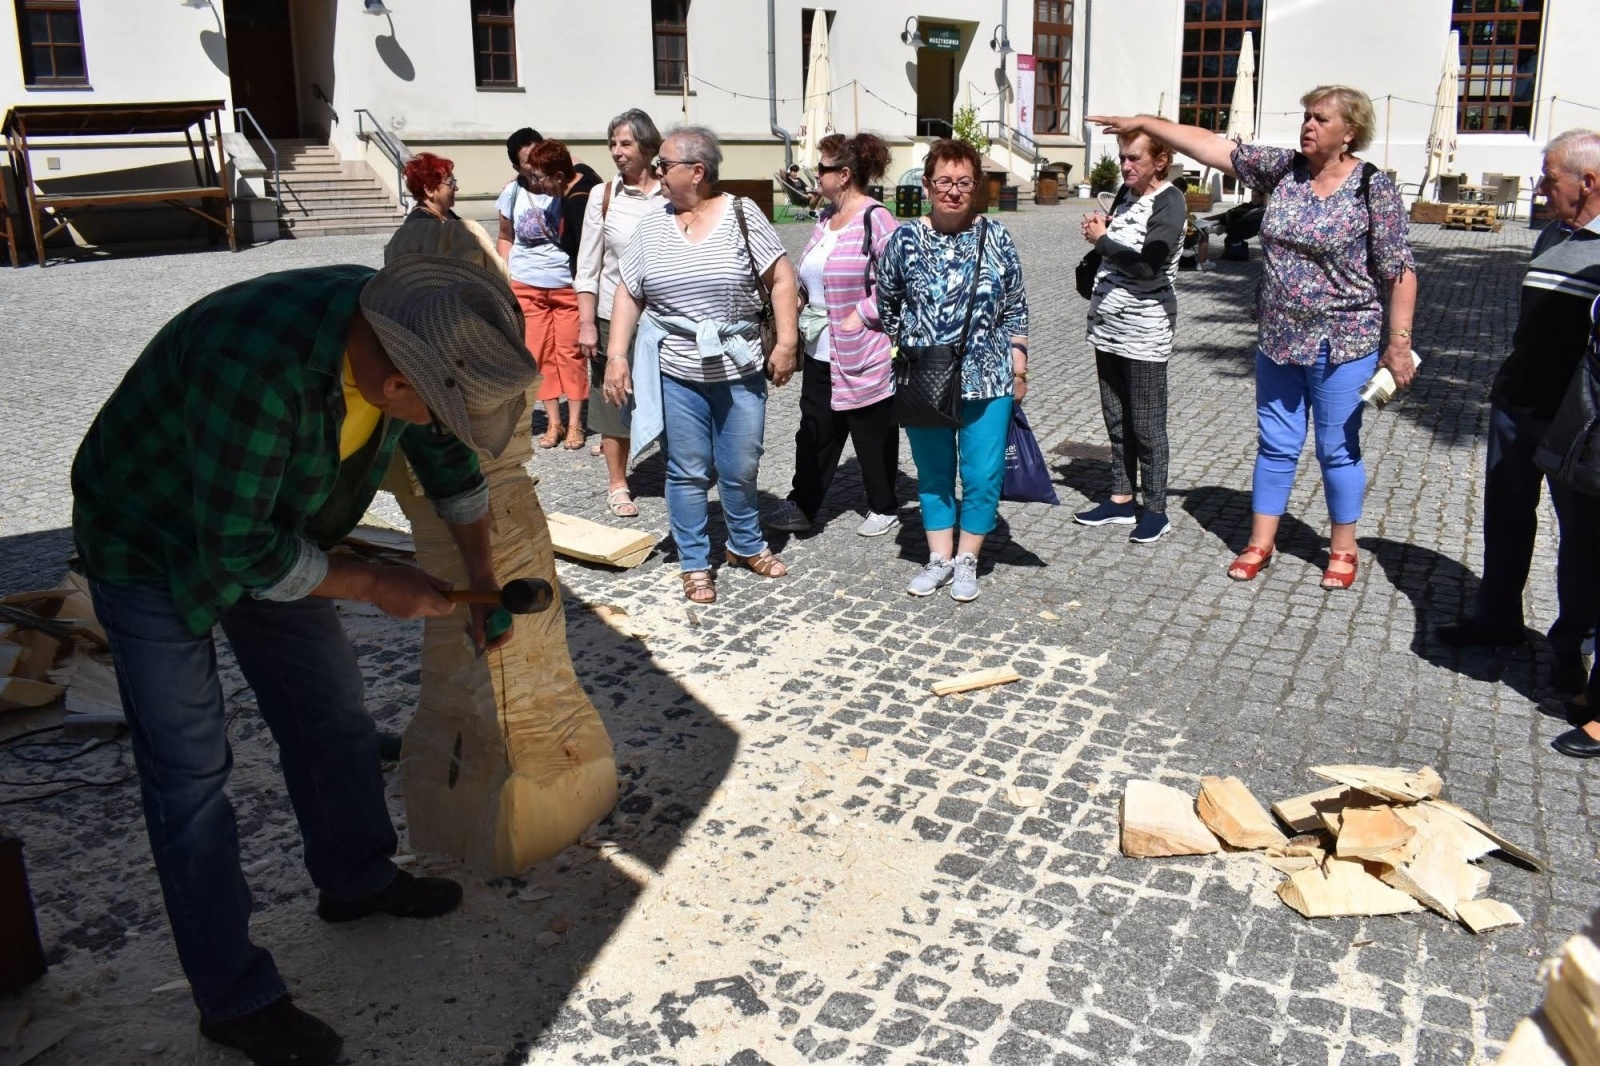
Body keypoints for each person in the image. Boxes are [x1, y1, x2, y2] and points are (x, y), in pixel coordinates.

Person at [69, 256, 539, 1066]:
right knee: (190, 777)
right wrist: (377, 584)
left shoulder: (406, 329)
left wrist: (483, 580)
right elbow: (239, 548)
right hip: (152, 537)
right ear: (394, 386)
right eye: (430, 410)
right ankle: (234, 996)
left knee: (332, 715)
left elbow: (450, 462)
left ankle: (355, 877)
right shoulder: (257, 366)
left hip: (270, 524)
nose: (434, 425)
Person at [1092, 86, 1418, 590]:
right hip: (1279, 337)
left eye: (1320, 119)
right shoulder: (1284, 170)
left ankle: (1343, 548)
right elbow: (1208, 145)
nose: (1307, 126)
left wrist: (1398, 344)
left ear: (1349, 131)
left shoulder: (1373, 188)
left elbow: (1399, 270)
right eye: (1305, 116)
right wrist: (1146, 122)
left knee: (1336, 447)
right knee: (1276, 444)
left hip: (1344, 340)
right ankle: (1260, 542)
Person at [602, 126, 800, 604]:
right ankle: (694, 561)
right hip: (678, 371)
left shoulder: (741, 213)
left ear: (697, 171)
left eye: (663, 165)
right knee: (687, 470)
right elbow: (630, 292)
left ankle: (744, 545)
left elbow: (781, 277)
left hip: (740, 365)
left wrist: (787, 341)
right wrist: (615, 356)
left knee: (740, 465)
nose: (655, 172)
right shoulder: (652, 224)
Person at [1438, 129, 1600, 701]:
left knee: (1580, 539)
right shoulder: (1551, 235)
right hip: (1519, 405)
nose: (1539, 187)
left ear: (1588, 182)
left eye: (1549, 177)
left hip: (1576, 421)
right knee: (1507, 516)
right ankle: (1497, 617)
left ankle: (1569, 648)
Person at [876, 138, 1031, 603]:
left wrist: (1018, 362)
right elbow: (887, 301)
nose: (954, 191)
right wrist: (910, 345)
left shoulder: (996, 236)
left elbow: (1016, 305)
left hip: (988, 377)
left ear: (976, 186)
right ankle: (938, 558)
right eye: (944, 181)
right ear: (927, 185)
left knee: (983, 474)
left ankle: (968, 559)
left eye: (964, 182)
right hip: (926, 378)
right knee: (934, 472)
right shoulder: (905, 239)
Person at [765, 132, 902, 538]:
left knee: (870, 431)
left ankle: (883, 504)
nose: (815, 177)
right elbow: (813, 275)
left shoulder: (876, 218)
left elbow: (900, 283)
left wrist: (862, 313)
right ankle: (803, 503)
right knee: (814, 430)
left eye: (821, 170)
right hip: (820, 346)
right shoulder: (825, 220)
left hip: (865, 349)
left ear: (843, 175)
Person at [1074, 124, 1186, 544]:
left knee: (1147, 424)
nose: (1125, 165)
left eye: (1134, 158)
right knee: (1116, 417)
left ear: (1160, 161)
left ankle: (1155, 509)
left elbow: (1147, 266)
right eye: (1122, 157)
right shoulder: (1126, 195)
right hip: (1109, 327)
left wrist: (1102, 241)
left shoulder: (1170, 203)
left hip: (1145, 331)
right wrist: (1105, 228)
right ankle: (1121, 499)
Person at [574, 109, 665, 518]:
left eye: (625, 144)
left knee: (673, 397)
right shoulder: (603, 196)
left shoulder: (672, 191)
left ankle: (680, 470)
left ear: (648, 147)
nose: (616, 152)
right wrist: (587, 323)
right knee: (614, 401)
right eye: (612, 144)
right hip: (615, 317)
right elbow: (587, 267)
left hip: (667, 317)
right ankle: (618, 483)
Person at [496, 134, 602, 450]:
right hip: (527, 284)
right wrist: (506, 272)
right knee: (538, 354)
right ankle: (553, 422)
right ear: (516, 165)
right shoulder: (511, 192)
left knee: (570, 352)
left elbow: (582, 170)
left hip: (565, 284)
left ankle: (575, 423)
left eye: (537, 158)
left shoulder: (561, 185)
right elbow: (505, 236)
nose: (533, 167)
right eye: (527, 161)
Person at [402, 152, 460, 221]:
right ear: (429, 190)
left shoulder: (448, 215)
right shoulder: (419, 223)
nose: (456, 188)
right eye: (451, 183)